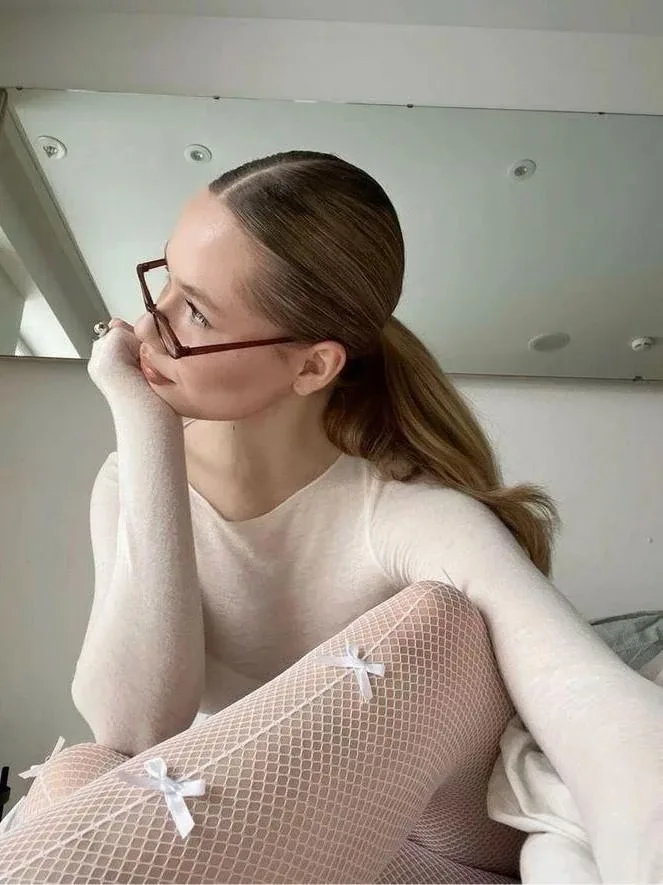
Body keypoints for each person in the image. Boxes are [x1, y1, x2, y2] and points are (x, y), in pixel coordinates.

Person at [0, 151, 661, 884]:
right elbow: (130, 728)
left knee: (440, 618)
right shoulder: (133, 473)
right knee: (79, 771)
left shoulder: (403, 510)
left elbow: (581, 681)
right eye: (165, 282)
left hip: (444, 847)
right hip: (303, 840)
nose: (147, 331)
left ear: (312, 367)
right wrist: (145, 428)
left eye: (197, 312)